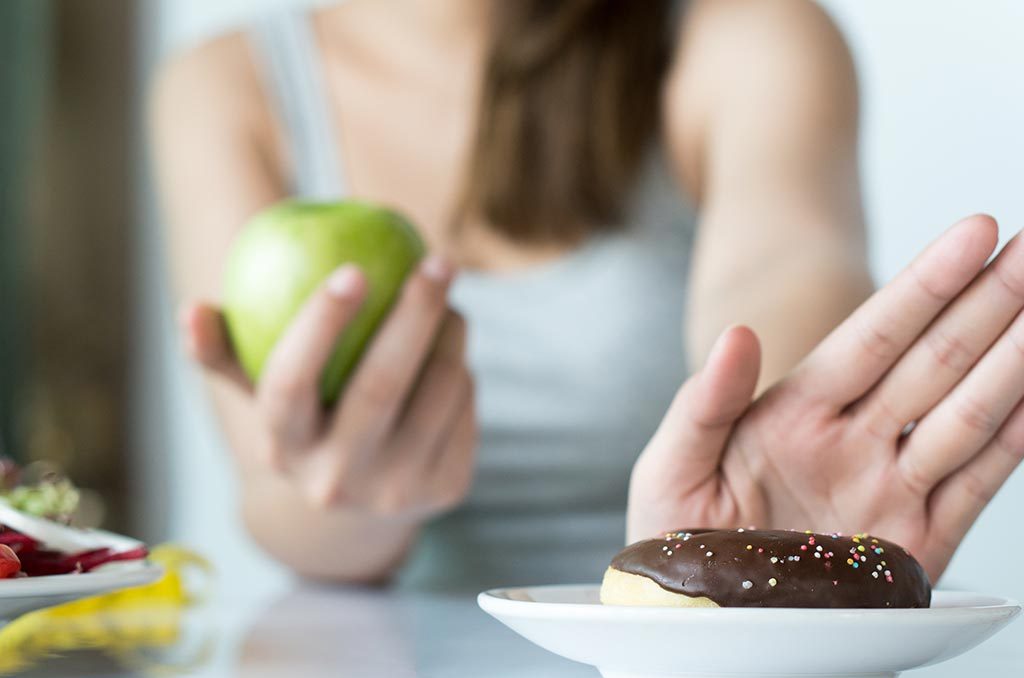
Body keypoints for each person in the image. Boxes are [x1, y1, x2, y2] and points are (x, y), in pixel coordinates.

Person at [150, 0, 1023, 588]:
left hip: (695, 651)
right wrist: (360, 501)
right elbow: (275, 502)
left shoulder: (749, 35)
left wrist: (785, 464)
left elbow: (783, 263)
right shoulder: (226, 86)